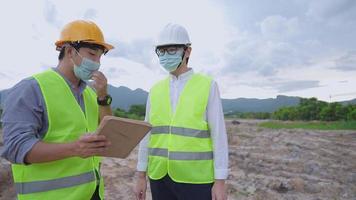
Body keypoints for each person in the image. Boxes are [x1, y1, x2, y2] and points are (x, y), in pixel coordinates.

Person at [1, 20, 114, 200]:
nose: (97, 62)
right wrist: (75, 148)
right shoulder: (31, 89)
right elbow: (16, 148)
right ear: (70, 51)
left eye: (100, 57)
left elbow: (109, 129)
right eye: (92, 54)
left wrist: (103, 97)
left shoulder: (91, 95)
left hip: (92, 193)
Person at [135, 23, 229, 200]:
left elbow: (219, 135)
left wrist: (220, 181)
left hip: (196, 179)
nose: (165, 56)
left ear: (187, 51)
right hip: (159, 176)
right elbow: (146, 135)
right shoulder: (155, 90)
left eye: (171, 50)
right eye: (161, 51)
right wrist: (141, 175)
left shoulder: (207, 85)